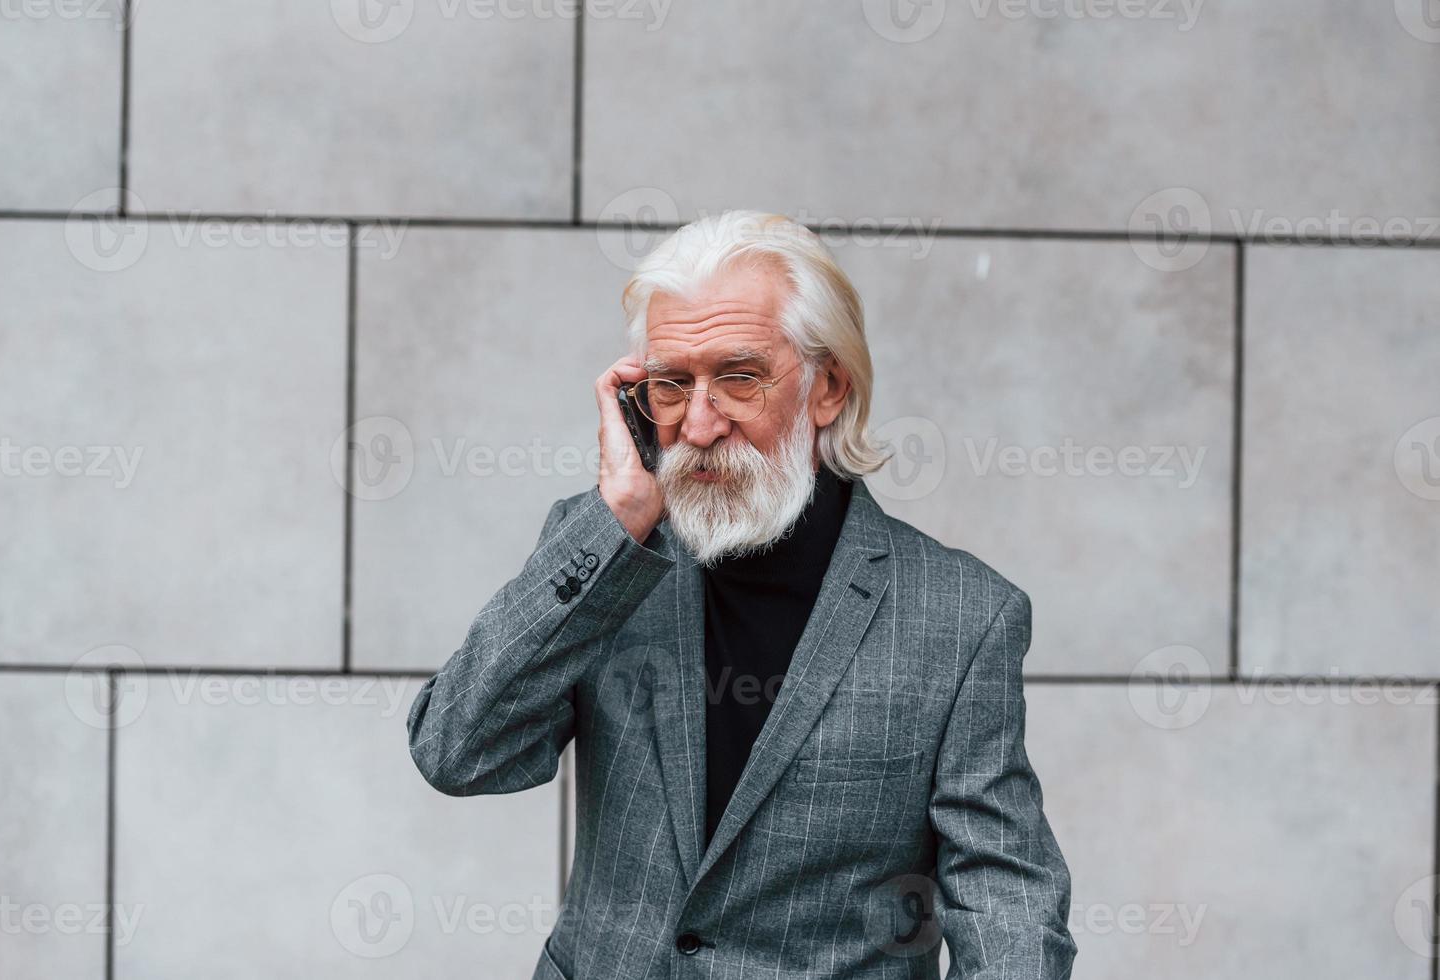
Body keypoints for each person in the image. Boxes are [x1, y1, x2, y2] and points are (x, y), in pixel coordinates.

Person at [407, 210, 1076, 979]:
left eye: (738, 377)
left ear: (828, 389)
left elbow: (1006, 898)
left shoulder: (962, 615)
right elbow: (457, 752)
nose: (698, 421)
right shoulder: (604, 555)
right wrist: (617, 522)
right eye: (670, 384)